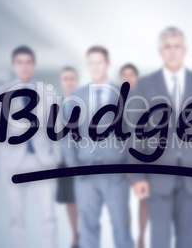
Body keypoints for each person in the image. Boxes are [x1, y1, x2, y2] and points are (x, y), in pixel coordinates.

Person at [128, 27, 192, 248]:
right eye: (168, 47)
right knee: (159, 239)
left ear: (185, 50)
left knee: (189, 240)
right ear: (161, 50)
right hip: (157, 175)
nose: (172, 51)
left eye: (177, 46)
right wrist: (138, 176)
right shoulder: (145, 84)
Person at [63, 46, 133, 248]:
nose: (95, 66)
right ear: (87, 65)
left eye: (99, 62)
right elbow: (67, 133)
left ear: (107, 64)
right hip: (85, 173)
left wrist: (130, 165)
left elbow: (134, 132)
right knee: (87, 229)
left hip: (116, 172)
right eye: (91, 62)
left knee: (121, 227)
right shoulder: (76, 95)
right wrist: (73, 166)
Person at [0, 46, 60, 248]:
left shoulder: (48, 92)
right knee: (16, 217)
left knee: (48, 216)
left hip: (42, 161)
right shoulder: (0, 92)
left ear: (34, 65)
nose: (24, 66)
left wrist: (55, 158)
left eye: (28, 62)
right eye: (19, 62)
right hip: (12, 162)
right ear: (13, 65)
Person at [119, 63, 147, 248]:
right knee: (122, 200)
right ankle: (127, 236)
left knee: (143, 198)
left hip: (141, 157)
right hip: (120, 159)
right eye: (125, 74)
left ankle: (142, 237)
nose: (128, 77)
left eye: (132, 74)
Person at [57, 66, 79, 248]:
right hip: (64, 161)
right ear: (61, 81)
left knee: (84, 200)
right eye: (66, 78)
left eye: (72, 78)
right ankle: (75, 236)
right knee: (70, 200)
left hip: (82, 160)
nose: (69, 81)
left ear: (76, 81)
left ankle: (85, 234)